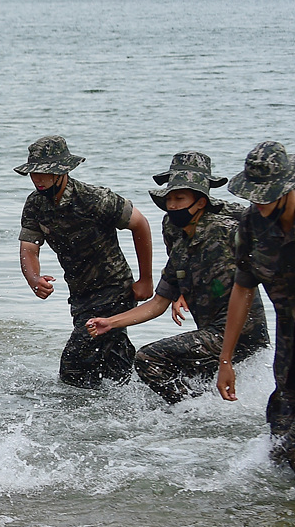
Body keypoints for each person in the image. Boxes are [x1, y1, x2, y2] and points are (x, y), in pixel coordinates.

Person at [85, 156, 268, 403]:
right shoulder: (179, 240)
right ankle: (201, 412)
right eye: (168, 199)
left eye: (179, 199)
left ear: (201, 201)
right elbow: (158, 302)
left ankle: (189, 414)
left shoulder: (227, 230)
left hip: (241, 334)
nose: (172, 206)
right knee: (184, 377)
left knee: (149, 358)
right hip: (211, 331)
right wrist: (110, 322)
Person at [16, 135, 153, 387]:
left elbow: (140, 224)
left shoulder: (94, 199)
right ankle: (138, 403)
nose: (38, 179)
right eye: (34, 172)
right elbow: (28, 249)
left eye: (45, 172)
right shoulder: (35, 205)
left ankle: (74, 417)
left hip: (114, 290)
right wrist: (33, 278)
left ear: (62, 171)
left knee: (73, 367)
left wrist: (146, 279)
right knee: (113, 365)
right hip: (80, 295)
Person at [218, 141, 295, 469]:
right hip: (288, 340)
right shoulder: (252, 223)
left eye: (266, 194)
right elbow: (242, 289)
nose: (258, 202)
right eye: (253, 194)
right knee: (282, 433)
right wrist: (226, 359)